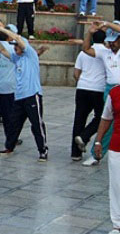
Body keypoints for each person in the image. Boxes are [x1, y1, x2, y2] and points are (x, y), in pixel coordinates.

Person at [0, 25, 48, 161]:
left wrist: (2, 29)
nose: (14, 47)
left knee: (36, 124)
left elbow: (17, 38)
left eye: (16, 46)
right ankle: (9, 146)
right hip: (19, 96)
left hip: (32, 95)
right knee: (13, 123)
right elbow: (2, 49)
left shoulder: (30, 55)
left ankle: (43, 150)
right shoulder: (15, 58)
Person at [79, 20, 120, 166]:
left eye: (115, 41)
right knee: (107, 123)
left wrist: (108, 24)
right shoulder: (104, 51)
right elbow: (85, 49)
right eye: (110, 41)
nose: (112, 44)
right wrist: (89, 34)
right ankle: (95, 154)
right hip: (110, 90)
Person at [71, 29, 107, 161]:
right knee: (100, 117)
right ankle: (85, 136)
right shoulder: (106, 53)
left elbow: (76, 73)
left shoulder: (83, 53)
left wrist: (82, 82)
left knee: (79, 119)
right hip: (98, 89)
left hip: (82, 88)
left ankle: (75, 153)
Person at [92, 82, 120, 234]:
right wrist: (98, 140)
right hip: (117, 147)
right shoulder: (114, 93)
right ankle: (117, 225)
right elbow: (106, 118)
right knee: (116, 186)